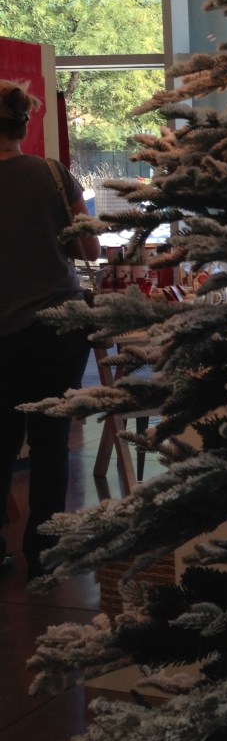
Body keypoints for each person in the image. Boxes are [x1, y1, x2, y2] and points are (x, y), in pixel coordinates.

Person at [0, 80, 100, 576]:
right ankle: (44, 547)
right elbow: (90, 250)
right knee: (50, 439)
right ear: (24, 124)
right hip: (60, 326)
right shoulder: (54, 175)